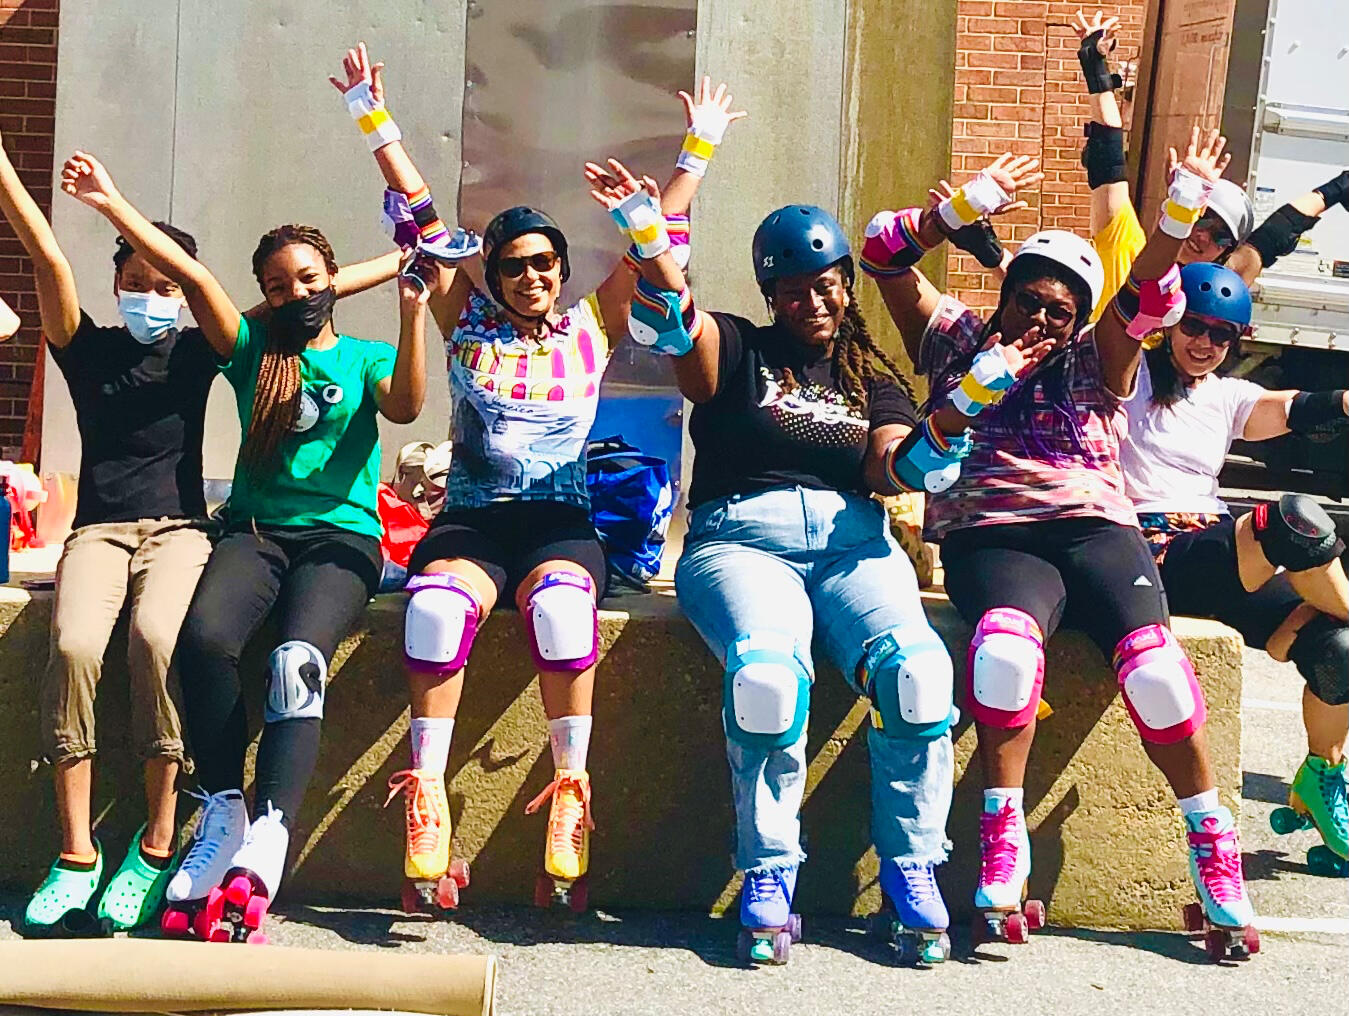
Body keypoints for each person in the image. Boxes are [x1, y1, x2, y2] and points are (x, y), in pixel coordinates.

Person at [590, 157, 1049, 963]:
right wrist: (649, 238)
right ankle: (769, 871)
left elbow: (896, 470)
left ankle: (911, 868)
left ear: (846, 284)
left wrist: (963, 405)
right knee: (767, 680)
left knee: (917, 676)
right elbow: (678, 328)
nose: (814, 302)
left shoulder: (871, 376)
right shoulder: (739, 345)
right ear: (772, 296)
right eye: (795, 291)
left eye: (827, 284)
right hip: (740, 542)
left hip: (852, 544)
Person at [330, 43, 733, 912]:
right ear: (494, 273)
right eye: (512, 264)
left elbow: (652, 247)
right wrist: (374, 119)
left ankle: (570, 793)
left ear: (559, 269)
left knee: (559, 609)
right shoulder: (464, 320)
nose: (530, 276)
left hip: (559, 525)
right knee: (435, 611)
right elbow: (421, 217)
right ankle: (426, 796)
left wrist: (694, 155)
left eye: (543, 262)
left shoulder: (592, 325)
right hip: (473, 523)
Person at [868, 132, 1261, 958]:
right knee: (1004, 656)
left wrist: (1179, 210)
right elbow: (880, 254)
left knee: (1156, 672)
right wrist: (959, 209)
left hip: (1095, 527)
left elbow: (1147, 294)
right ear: (1004, 295)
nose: (1042, 320)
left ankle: (1211, 847)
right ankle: (1000, 836)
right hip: (993, 535)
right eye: (1029, 302)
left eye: (1060, 310)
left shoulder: (1094, 357)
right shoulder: (953, 336)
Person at [4, 128, 395, 936]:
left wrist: (406, 263)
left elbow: (304, 295)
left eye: (163, 283)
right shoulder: (83, 345)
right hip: (99, 531)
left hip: (181, 531)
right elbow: (46, 254)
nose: (149, 293)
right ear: (115, 283)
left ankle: (155, 844)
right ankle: (75, 853)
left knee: (159, 640)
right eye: (134, 281)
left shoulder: (201, 350)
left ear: (182, 295)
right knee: (73, 647)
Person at [1120, 261, 1349, 878]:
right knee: (1292, 522)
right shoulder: (1128, 378)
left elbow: (1298, 408)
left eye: (1221, 334)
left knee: (1339, 651)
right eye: (1194, 326)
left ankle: (1321, 778)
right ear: (1170, 324)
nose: (1205, 343)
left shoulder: (1225, 395)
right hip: (1154, 552)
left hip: (1218, 552)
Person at [1072, 8, 1349, 313]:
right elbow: (1108, 166)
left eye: (1220, 236)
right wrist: (1095, 67)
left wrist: (1338, 188)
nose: (1203, 236)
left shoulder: (1218, 290)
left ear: (1225, 253)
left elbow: (1277, 233)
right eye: (1201, 217)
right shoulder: (1126, 248)